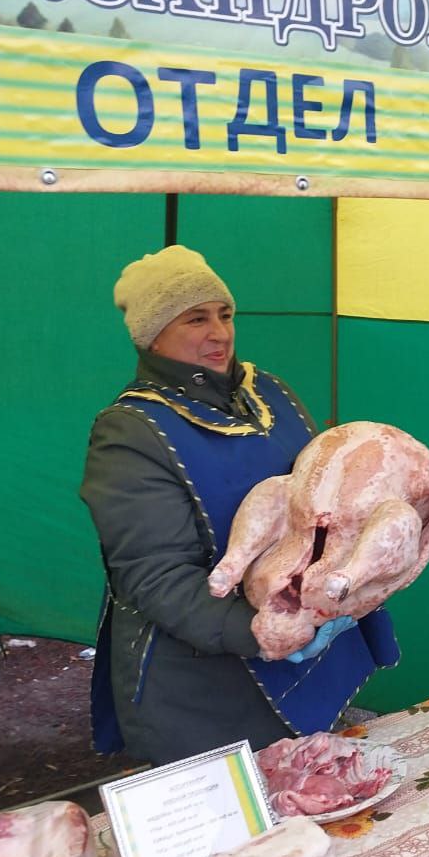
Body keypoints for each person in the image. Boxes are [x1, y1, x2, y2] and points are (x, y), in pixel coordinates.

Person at [81, 244, 399, 766]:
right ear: (151, 334)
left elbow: (324, 502)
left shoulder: (269, 391)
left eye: (225, 314)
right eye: (196, 319)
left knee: (323, 816)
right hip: (202, 687)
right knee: (240, 837)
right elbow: (152, 575)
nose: (220, 333)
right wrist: (256, 629)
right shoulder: (129, 434)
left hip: (307, 656)